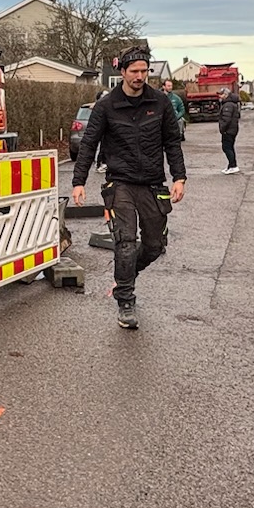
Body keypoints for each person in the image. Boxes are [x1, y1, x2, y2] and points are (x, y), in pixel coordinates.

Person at [72, 48, 186, 329]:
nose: (139, 76)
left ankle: (126, 275)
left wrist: (179, 177)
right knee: (124, 242)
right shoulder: (106, 106)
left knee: (154, 246)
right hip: (120, 183)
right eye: (133, 71)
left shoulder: (159, 102)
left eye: (143, 71)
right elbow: (88, 144)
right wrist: (78, 182)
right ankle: (125, 300)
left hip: (152, 183)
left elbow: (172, 141)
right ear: (121, 72)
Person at [217, 87, 242, 174]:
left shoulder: (228, 105)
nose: (220, 96)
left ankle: (233, 166)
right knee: (229, 147)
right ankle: (231, 165)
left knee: (226, 147)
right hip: (232, 129)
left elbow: (226, 119)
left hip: (229, 130)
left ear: (226, 95)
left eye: (221, 94)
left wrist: (222, 129)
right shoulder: (231, 104)